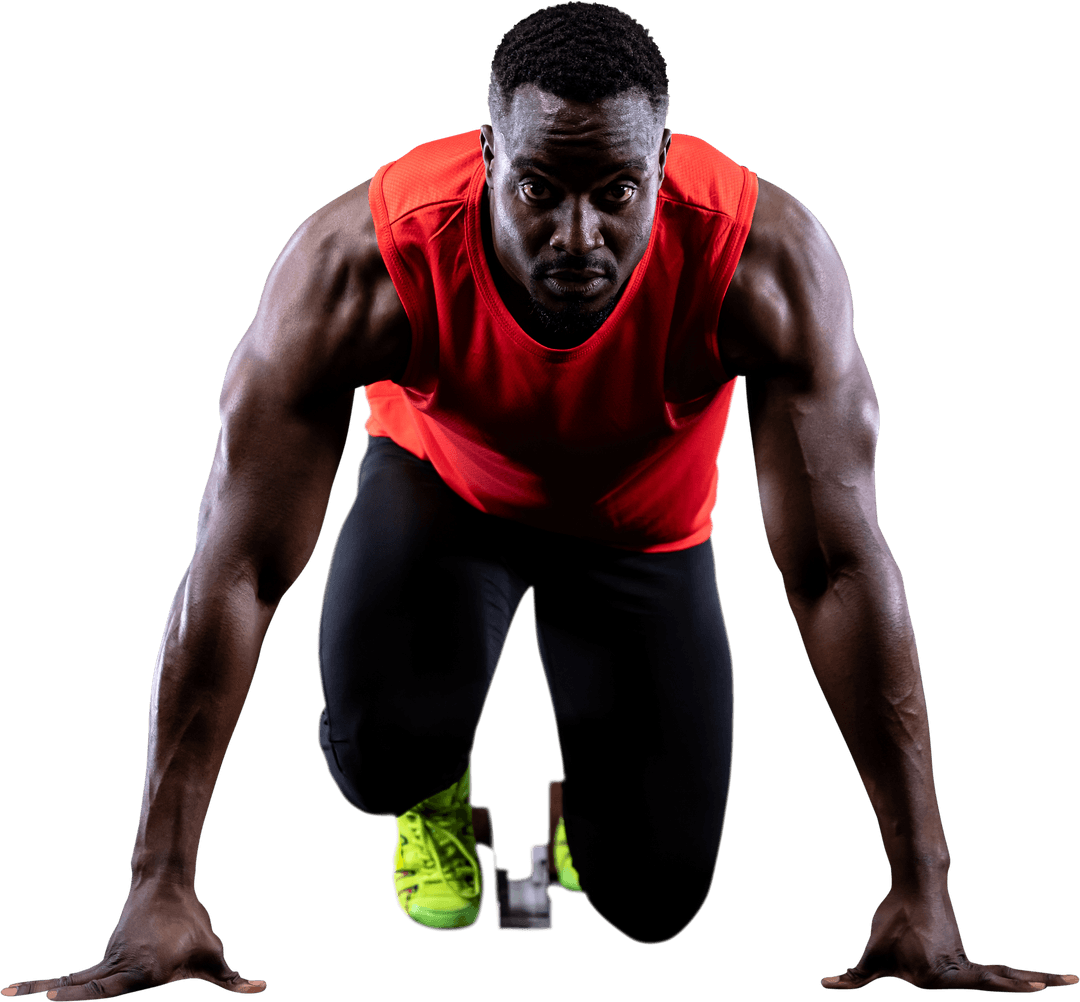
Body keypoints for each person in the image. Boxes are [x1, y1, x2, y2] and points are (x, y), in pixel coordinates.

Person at [4, 3, 1075, 999]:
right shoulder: (362, 265)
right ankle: (436, 783)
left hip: (641, 529)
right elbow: (234, 566)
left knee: (653, 895)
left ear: (662, 163)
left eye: (616, 193)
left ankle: (586, 796)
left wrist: (924, 880)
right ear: (486, 162)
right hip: (447, 494)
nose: (577, 236)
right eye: (538, 190)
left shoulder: (766, 265)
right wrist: (161, 876)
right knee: (380, 756)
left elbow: (836, 568)